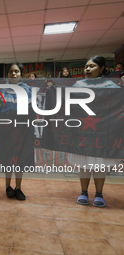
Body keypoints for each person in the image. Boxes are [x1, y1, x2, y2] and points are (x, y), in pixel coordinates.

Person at [70, 56, 120, 207]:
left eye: (92, 66)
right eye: (86, 66)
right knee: (84, 163)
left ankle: (99, 194)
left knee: (100, 163)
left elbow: (118, 107)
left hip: (103, 130)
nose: (87, 69)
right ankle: (83, 192)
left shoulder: (111, 86)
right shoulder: (77, 85)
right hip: (82, 130)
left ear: (102, 68)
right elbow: (69, 105)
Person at [0, 63, 32, 200]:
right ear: (7, 75)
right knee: (8, 159)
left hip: (23, 130)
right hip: (6, 130)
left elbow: (32, 111)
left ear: (21, 74)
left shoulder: (28, 91)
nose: (14, 74)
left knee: (20, 159)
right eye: (11, 71)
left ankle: (18, 187)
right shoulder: (1, 92)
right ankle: (8, 187)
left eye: (17, 71)